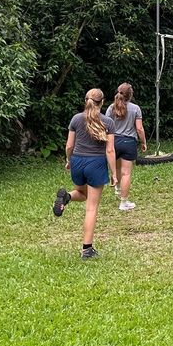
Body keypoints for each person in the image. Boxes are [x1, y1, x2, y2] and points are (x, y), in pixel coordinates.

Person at [52, 88, 117, 260]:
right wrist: (114, 173)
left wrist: (69, 160)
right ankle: (87, 249)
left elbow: (69, 145)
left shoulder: (76, 119)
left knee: (81, 193)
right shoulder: (108, 122)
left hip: (78, 161)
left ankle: (66, 197)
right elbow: (110, 151)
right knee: (91, 208)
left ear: (85, 100)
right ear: (102, 102)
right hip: (95, 163)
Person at [105, 82, 147, 211]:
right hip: (129, 143)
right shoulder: (135, 108)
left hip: (113, 142)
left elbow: (105, 126)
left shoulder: (111, 108)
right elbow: (139, 128)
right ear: (131, 95)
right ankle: (124, 202)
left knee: (116, 166)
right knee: (126, 173)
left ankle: (117, 188)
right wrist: (144, 142)